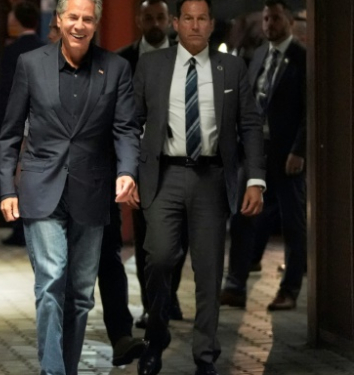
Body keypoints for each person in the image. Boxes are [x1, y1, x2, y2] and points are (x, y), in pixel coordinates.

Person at [0, 0, 141, 372]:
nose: (80, 25)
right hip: (41, 189)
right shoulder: (31, 65)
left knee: (80, 295)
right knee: (50, 281)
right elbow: (9, 133)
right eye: (73, 17)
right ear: (58, 20)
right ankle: (53, 370)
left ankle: (68, 367)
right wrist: (6, 189)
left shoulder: (116, 69)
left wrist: (127, 171)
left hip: (92, 191)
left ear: (96, 24)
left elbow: (125, 129)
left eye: (87, 19)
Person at [132, 1, 265, 374]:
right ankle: (155, 339)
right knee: (158, 258)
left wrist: (255, 178)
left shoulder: (231, 68)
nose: (194, 25)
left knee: (208, 273)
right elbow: (131, 122)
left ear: (210, 25)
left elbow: (250, 125)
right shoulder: (152, 66)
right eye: (187, 18)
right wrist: (129, 172)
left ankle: (205, 356)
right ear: (176, 23)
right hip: (164, 177)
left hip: (212, 178)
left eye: (201, 18)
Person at [221, 0, 306, 311]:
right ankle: (235, 285)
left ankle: (290, 289)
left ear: (289, 22)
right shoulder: (258, 54)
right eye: (267, 19)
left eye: (276, 19)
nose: (270, 24)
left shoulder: (301, 57)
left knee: (293, 223)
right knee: (243, 216)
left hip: (287, 154)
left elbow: (311, 110)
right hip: (256, 152)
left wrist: (299, 150)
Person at [116, 0, 186, 330]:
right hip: (140, 160)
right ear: (138, 20)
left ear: (170, 21)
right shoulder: (121, 60)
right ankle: (151, 306)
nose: (155, 23)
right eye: (149, 17)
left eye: (160, 17)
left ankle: (168, 296)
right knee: (146, 237)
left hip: (181, 158)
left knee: (179, 236)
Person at [0, 1, 44, 248]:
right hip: (40, 121)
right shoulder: (44, 48)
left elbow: (5, 91)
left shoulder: (12, 52)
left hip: (16, 120)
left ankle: (18, 227)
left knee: (17, 174)